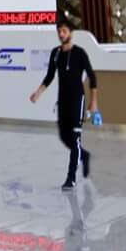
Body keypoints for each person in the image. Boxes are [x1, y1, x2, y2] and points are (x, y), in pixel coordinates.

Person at [29, 20, 99, 189]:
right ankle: (84, 156)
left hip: (77, 100)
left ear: (71, 33)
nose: (61, 34)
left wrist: (93, 102)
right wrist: (38, 93)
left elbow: (92, 76)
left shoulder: (80, 53)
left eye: (64, 31)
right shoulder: (56, 53)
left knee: (74, 139)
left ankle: (71, 178)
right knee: (64, 137)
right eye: (59, 31)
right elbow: (49, 76)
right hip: (63, 101)